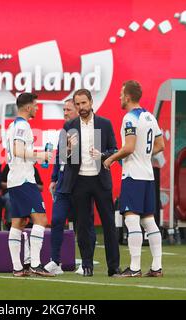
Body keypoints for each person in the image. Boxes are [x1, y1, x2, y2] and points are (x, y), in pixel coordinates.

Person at [104, 80, 165, 277]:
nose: (120, 97)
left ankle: (135, 267)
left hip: (133, 175)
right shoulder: (150, 116)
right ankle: (156, 267)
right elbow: (160, 145)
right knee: (149, 221)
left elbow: (129, 147)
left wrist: (111, 159)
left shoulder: (129, 118)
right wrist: (144, 156)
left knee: (131, 220)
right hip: (148, 175)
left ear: (128, 97)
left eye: (121, 94)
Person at [63, 89, 122, 277]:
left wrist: (103, 155)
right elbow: (65, 158)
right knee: (83, 225)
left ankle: (113, 267)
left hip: (100, 180)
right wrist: (70, 149)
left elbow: (114, 149)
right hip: (79, 181)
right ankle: (87, 265)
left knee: (109, 224)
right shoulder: (70, 125)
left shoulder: (104, 124)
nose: (81, 107)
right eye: (78, 104)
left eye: (84, 103)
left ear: (91, 102)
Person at [45, 98, 95, 275]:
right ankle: (55, 262)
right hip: (64, 185)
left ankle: (87, 264)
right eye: (64, 110)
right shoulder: (64, 130)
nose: (65, 113)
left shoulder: (88, 131)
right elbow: (59, 156)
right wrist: (54, 178)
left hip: (82, 184)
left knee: (85, 224)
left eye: (68, 109)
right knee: (57, 220)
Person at [6, 92, 54, 277]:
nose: (37, 108)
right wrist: (39, 155)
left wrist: (34, 156)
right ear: (27, 107)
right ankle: (35, 263)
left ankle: (18, 267)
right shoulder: (22, 125)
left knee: (19, 222)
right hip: (24, 179)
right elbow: (18, 151)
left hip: (15, 179)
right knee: (41, 220)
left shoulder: (12, 126)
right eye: (35, 105)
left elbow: (17, 151)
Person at [0, 163, 44, 230]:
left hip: (28, 194)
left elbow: (41, 187)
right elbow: (1, 183)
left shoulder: (32, 169)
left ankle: (31, 224)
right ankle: (10, 223)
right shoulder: (9, 166)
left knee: (34, 199)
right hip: (11, 192)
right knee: (10, 198)